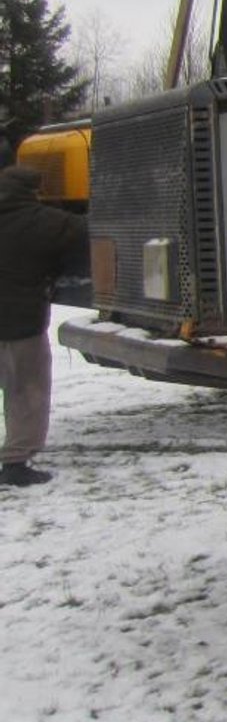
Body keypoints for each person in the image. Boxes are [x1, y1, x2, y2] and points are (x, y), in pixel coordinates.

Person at [0, 164, 89, 487]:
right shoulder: (43, 221)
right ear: (34, 191)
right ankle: (14, 463)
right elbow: (87, 232)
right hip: (20, 326)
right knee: (26, 392)